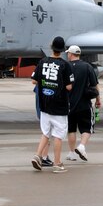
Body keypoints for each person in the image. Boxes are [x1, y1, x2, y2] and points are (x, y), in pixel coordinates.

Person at [30, 36, 73, 172]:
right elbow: (69, 87)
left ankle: (38, 155)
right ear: (62, 50)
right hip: (59, 105)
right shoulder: (65, 65)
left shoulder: (42, 62)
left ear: (51, 47)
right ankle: (57, 163)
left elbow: (34, 80)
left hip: (44, 104)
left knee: (45, 133)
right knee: (58, 136)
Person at [65, 45, 99, 160]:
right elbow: (94, 85)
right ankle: (82, 146)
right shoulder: (87, 66)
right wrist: (98, 99)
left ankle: (71, 153)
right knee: (87, 128)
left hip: (69, 104)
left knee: (71, 129)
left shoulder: (66, 66)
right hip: (84, 103)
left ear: (70, 54)